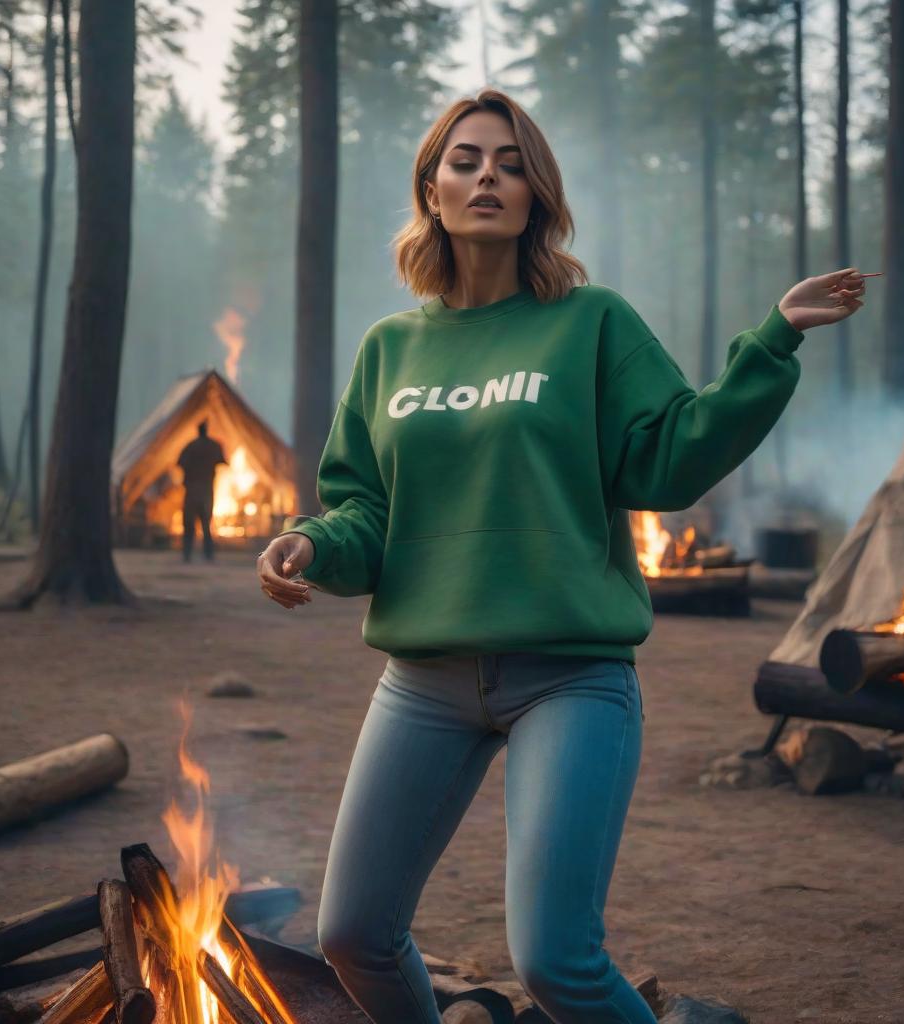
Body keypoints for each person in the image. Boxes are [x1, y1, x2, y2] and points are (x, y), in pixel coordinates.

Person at [255, 88, 871, 1024]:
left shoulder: (591, 323)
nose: (487, 176)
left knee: (556, 961)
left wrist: (772, 339)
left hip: (570, 676)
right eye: (464, 160)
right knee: (352, 934)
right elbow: (364, 512)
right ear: (432, 188)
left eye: (508, 162)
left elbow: (672, 457)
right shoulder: (390, 350)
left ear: (537, 193)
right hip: (423, 678)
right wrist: (310, 541)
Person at [177, 419, 226, 562]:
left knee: (189, 525)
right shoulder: (214, 447)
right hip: (205, 491)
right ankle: (207, 554)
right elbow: (222, 461)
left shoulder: (191, 447)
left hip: (192, 491)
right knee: (205, 524)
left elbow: (181, 463)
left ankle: (187, 554)